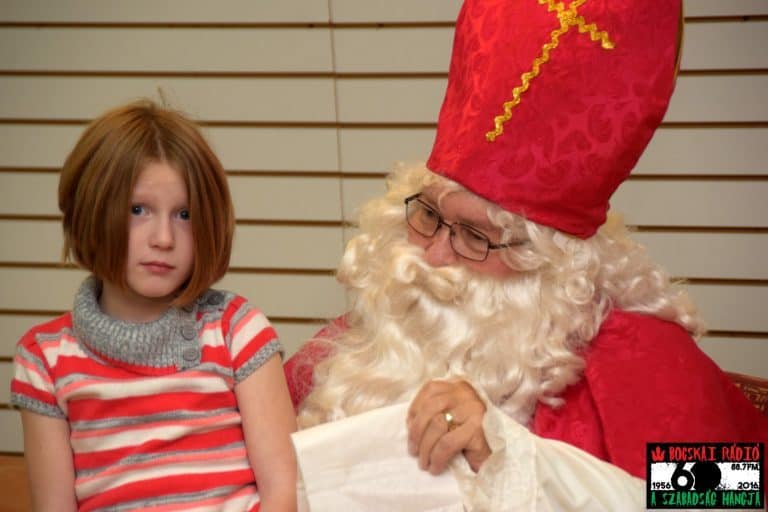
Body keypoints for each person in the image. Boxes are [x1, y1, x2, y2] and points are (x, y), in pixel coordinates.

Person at [286, 0, 768, 509]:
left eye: (475, 235)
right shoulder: (368, 339)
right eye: (427, 214)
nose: (436, 256)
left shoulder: (643, 356)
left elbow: (733, 490)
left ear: (551, 263)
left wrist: (520, 460)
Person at [11, 100, 297, 512]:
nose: (163, 238)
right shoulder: (44, 359)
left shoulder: (238, 330)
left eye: (184, 214)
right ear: (90, 209)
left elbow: (285, 492)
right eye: (138, 210)